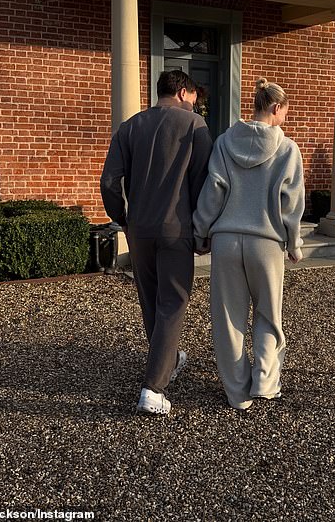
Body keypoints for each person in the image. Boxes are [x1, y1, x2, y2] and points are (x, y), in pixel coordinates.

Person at [100, 69, 213, 416]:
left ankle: (168, 360)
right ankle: (153, 388)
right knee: (173, 304)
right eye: (194, 99)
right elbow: (204, 184)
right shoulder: (195, 128)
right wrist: (203, 230)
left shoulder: (129, 127)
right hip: (176, 228)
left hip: (139, 228)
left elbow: (109, 181)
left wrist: (121, 216)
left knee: (150, 300)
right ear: (182, 91)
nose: (196, 106)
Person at [193, 78, 305, 411]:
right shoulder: (287, 149)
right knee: (269, 316)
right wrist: (294, 242)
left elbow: (213, 190)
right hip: (267, 243)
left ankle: (236, 394)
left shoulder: (225, 142)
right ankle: (266, 384)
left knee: (228, 318)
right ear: (275, 107)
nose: (286, 116)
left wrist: (201, 231)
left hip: (226, 240)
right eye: (285, 110)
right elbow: (292, 203)